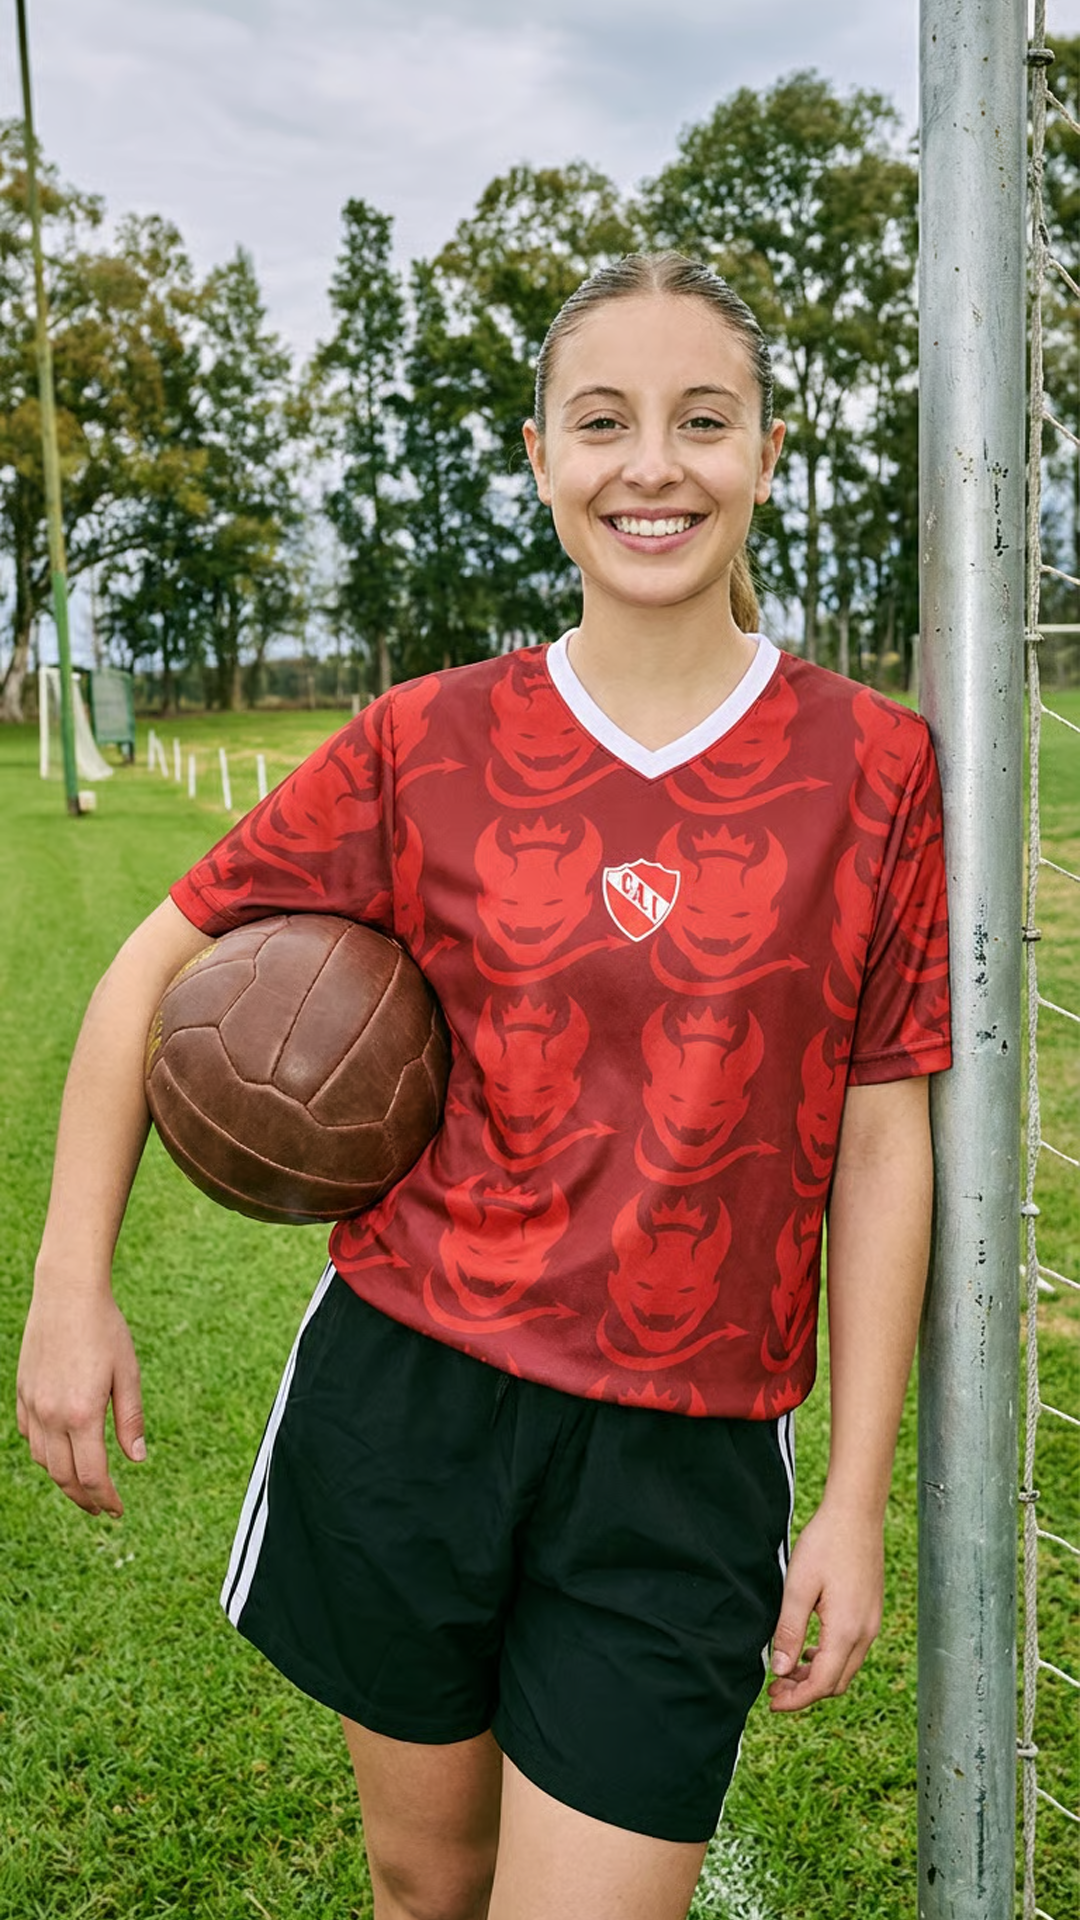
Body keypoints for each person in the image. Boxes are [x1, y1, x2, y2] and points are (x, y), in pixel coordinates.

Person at [17, 252, 951, 1920]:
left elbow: (886, 1138)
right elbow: (148, 969)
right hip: (411, 1402)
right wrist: (68, 1285)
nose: (650, 466)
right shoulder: (427, 738)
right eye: (603, 423)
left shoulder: (874, 767)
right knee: (420, 1886)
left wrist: (860, 1496)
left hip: (685, 1453)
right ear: (539, 456)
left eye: (701, 421)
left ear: (767, 448)